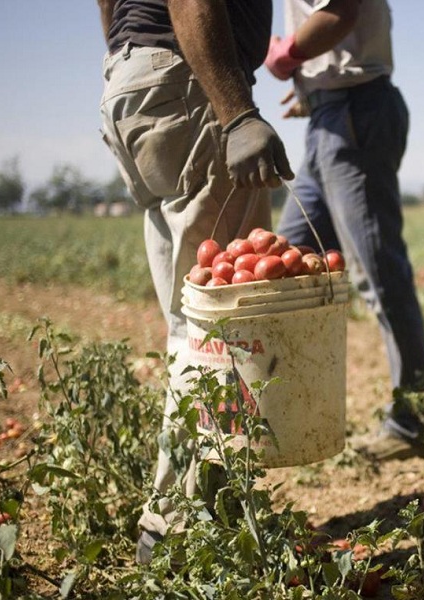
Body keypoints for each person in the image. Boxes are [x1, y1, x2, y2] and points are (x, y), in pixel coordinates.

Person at [97, 0, 293, 564]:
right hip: (189, 80)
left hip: (134, 83)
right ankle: (177, 530)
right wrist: (236, 113)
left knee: (192, 321)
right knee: (218, 328)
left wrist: (126, 60)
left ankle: (202, 509)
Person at [265, 0, 424, 461]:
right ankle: (293, 413)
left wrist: (285, 56)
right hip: (330, 115)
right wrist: (313, 89)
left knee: (378, 272)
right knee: (288, 265)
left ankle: (414, 420)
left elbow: (340, 12)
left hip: (355, 110)